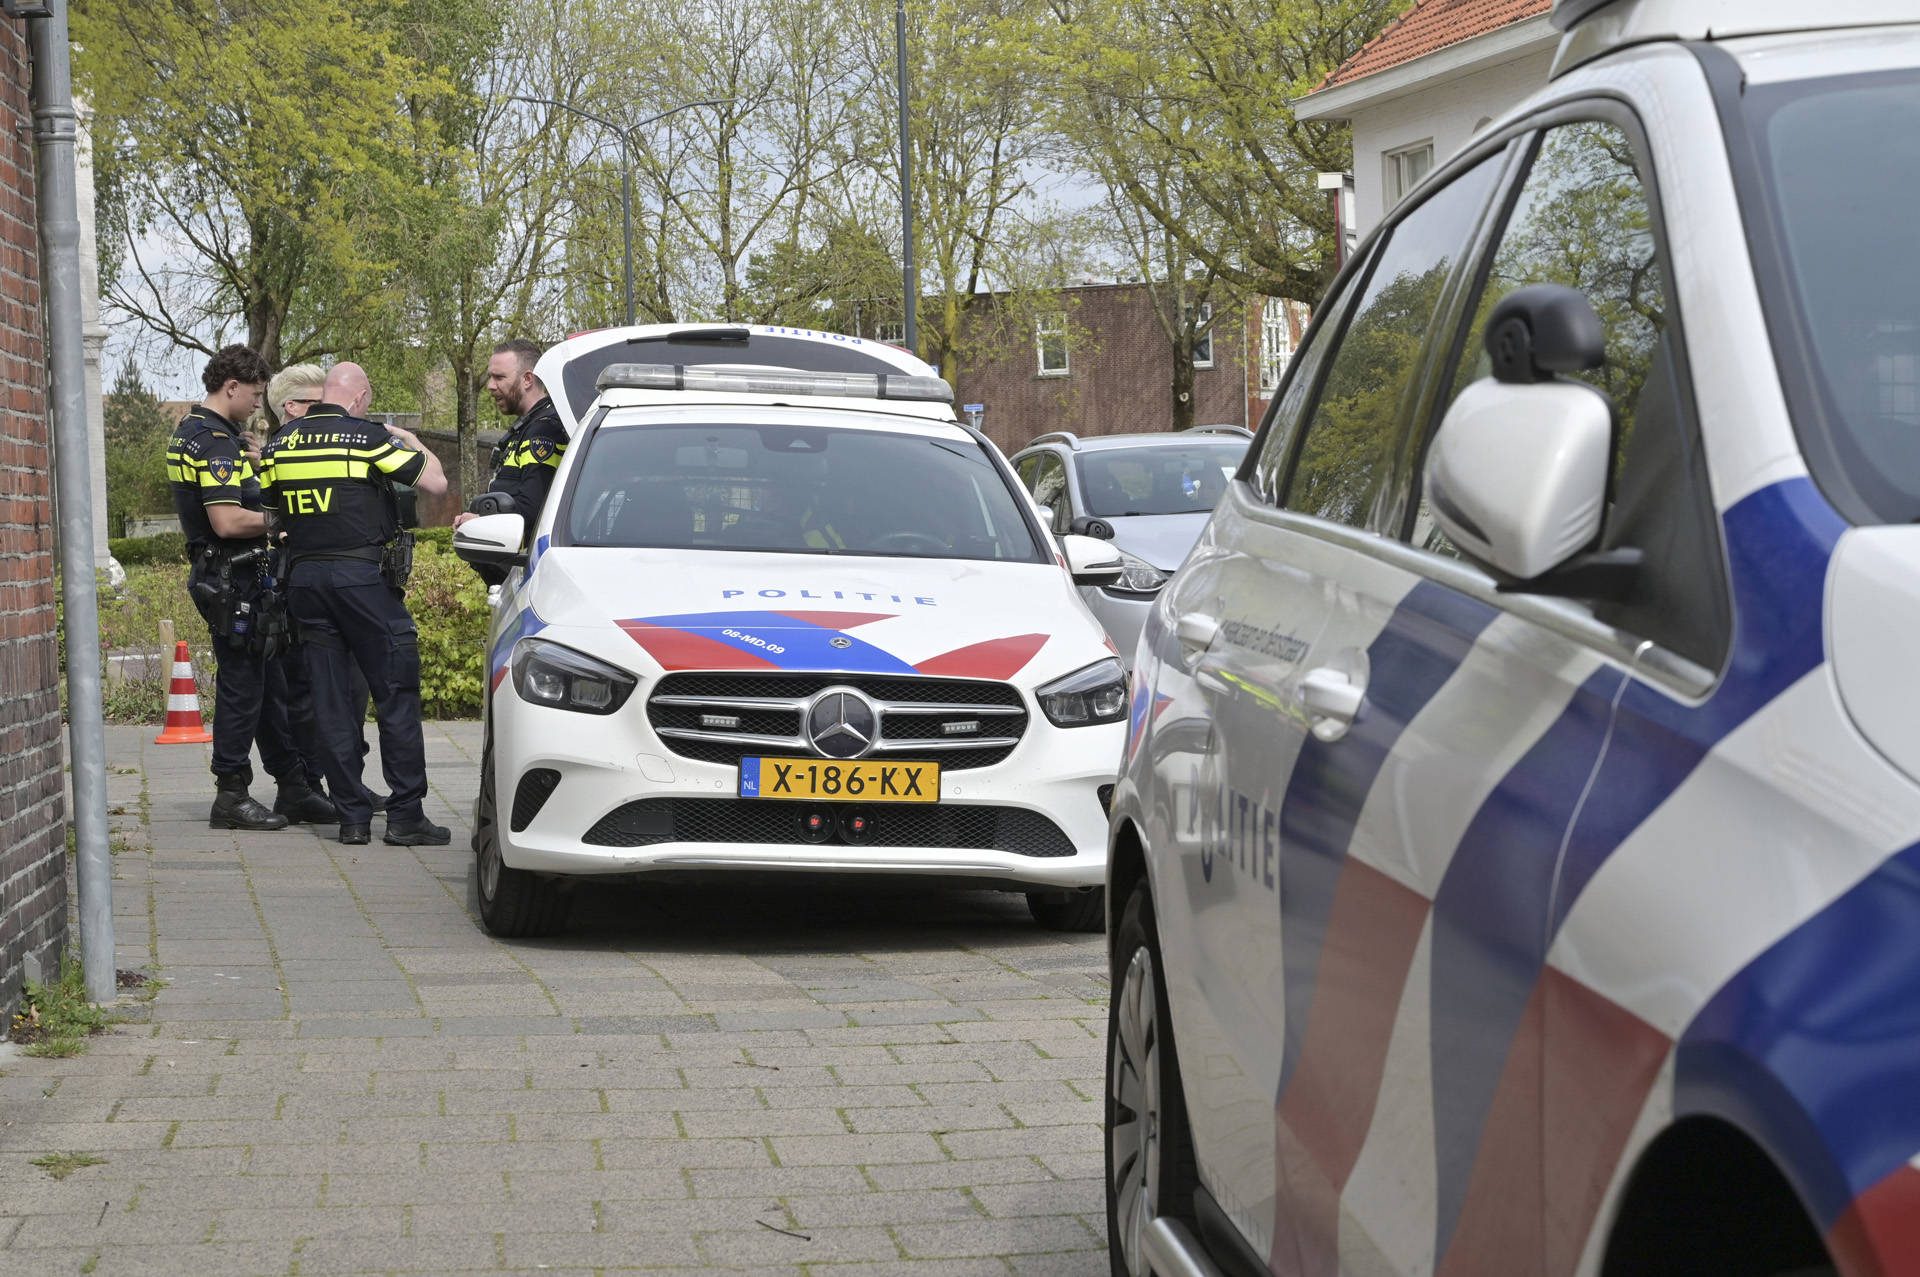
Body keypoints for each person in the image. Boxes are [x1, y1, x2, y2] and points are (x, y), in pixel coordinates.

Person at [259, 362, 451, 847]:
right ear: (361, 397)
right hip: (363, 582)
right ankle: (406, 816)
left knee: (330, 702)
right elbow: (434, 484)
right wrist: (412, 440)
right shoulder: (367, 438)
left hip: (305, 581)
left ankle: (352, 819)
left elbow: (264, 500)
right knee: (395, 693)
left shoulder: (281, 445)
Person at [168, 345, 329, 830]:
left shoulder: (192, 433)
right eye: (256, 396)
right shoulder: (215, 442)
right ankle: (231, 793)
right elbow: (227, 519)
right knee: (243, 687)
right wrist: (285, 519)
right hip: (232, 577)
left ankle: (294, 787)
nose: (259, 405)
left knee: (268, 684)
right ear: (231, 387)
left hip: (226, 576)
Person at [259, 363, 379, 819]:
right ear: (291, 407)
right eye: (315, 401)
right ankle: (309, 784)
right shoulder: (278, 453)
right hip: (298, 583)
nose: (327, 408)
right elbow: (272, 519)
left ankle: (348, 783)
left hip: (338, 581)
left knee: (350, 689)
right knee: (307, 691)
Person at [453, 340, 565, 578]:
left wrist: (481, 523)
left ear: (527, 379)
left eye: (499, 377)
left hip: (532, 574)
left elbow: (533, 511)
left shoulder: (544, 432)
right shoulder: (525, 430)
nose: (490, 386)